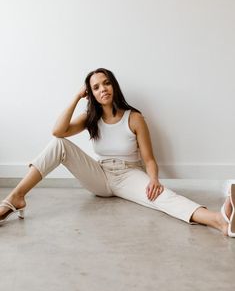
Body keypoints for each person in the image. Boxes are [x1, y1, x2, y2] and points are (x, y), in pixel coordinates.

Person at [0, 68, 234, 237]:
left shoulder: (134, 118)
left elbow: (149, 158)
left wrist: (154, 179)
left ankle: (219, 221)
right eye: (96, 87)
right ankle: (16, 198)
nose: (103, 89)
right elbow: (58, 131)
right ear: (90, 93)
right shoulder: (91, 118)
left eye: (106, 83)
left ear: (114, 86)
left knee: (162, 197)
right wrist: (76, 96)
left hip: (129, 175)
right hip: (100, 176)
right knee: (58, 144)